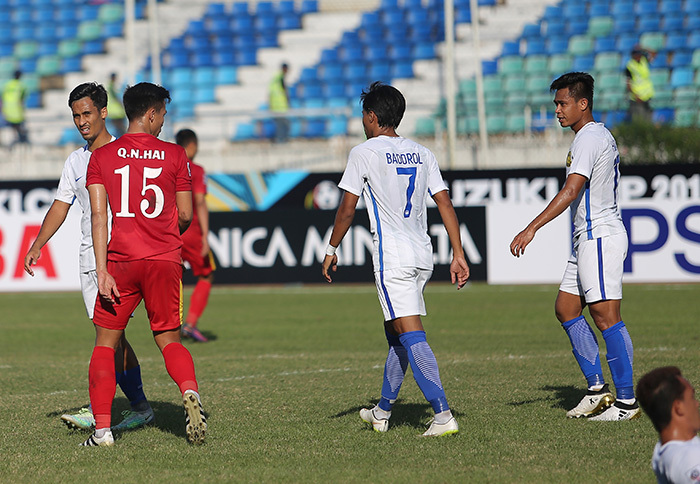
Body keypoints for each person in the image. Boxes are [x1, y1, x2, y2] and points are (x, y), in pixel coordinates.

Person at [321, 82, 470, 437]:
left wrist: (331, 248)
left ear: (372, 117)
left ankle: (443, 415)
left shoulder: (364, 153)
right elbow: (445, 203)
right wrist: (459, 253)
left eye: (363, 115)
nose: (362, 121)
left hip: (394, 257)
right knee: (396, 334)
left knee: (410, 332)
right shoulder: (422, 152)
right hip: (422, 254)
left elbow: (346, 208)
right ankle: (382, 412)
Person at [23, 82, 154, 432]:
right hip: (89, 260)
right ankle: (139, 406)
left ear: (103, 112)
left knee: (106, 336)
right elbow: (61, 205)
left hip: (122, 258)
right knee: (114, 337)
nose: (81, 121)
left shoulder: (125, 154)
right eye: (76, 115)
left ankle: (102, 415)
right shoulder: (76, 160)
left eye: (87, 113)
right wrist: (38, 245)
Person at [510, 72, 638, 421]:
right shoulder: (595, 135)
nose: (557, 110)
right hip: (587, 238)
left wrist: (530, 228)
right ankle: (597, 390)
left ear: (583, 103)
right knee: (566, 308)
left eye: (563, 103)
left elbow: (571, 191)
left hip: (599, 236)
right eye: (555, 103)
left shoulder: (588, 138)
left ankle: (627, 403)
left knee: (605, 316)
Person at [84, 82, 206, 447]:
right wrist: (165, 232)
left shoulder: (103, 156)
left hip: (120, 262)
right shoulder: (175, 155)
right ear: (150, 114)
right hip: (164, 259)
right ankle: (189, 390)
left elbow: (98, 214)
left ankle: (102, 431)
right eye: (163, 114)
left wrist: (102, 270)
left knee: (106, 343)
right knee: (169, 338)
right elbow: (185, 214)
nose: (164, 122)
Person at [175, 128, 215, 343]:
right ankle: (190, 324)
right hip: (191, 231)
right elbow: (199, 201)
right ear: (192, 145)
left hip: (170, 231)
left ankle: (173, 325)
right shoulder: (197, 170)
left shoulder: (169, 165)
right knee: (206, 274)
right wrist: (206, 236)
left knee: (174, 279)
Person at [637, 367, 700, 484]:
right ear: (678, 408)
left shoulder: (663, 448)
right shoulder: (688, 459)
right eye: (691, 398)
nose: (697, 404)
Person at [625, 45, 656, 123]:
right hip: (637, 98)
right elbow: (628, 83)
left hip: (647, 95)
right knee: (639, 119)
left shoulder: (644, 61)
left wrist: (643, 48)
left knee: (648, 118)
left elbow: (654, 53)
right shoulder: (630, 66)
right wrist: (635, 95)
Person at [2, 70, 28, 145]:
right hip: (17, 110)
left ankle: (14, 138)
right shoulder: (21, 86)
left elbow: (3, 97)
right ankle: (21, 140)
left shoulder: (7, 85)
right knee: (20, 125)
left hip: (7, 110)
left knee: (12, 125)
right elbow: (22, 99)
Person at [268, 62, 290, 143]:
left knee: (280, 125)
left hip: (275, 106)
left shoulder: (275, 79)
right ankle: (281, 141)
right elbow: (284, 92)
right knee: (282, 125)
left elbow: (270, 93)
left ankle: (280, 140)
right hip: (280, 106)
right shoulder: (280, 78)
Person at [107, 73, 126, 137]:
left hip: (114, 112)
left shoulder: (109, 86)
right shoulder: (111, 87)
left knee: (119, 129)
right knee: (121, 129)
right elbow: (115, 97)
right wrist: (121, 104)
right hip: (116, 112)